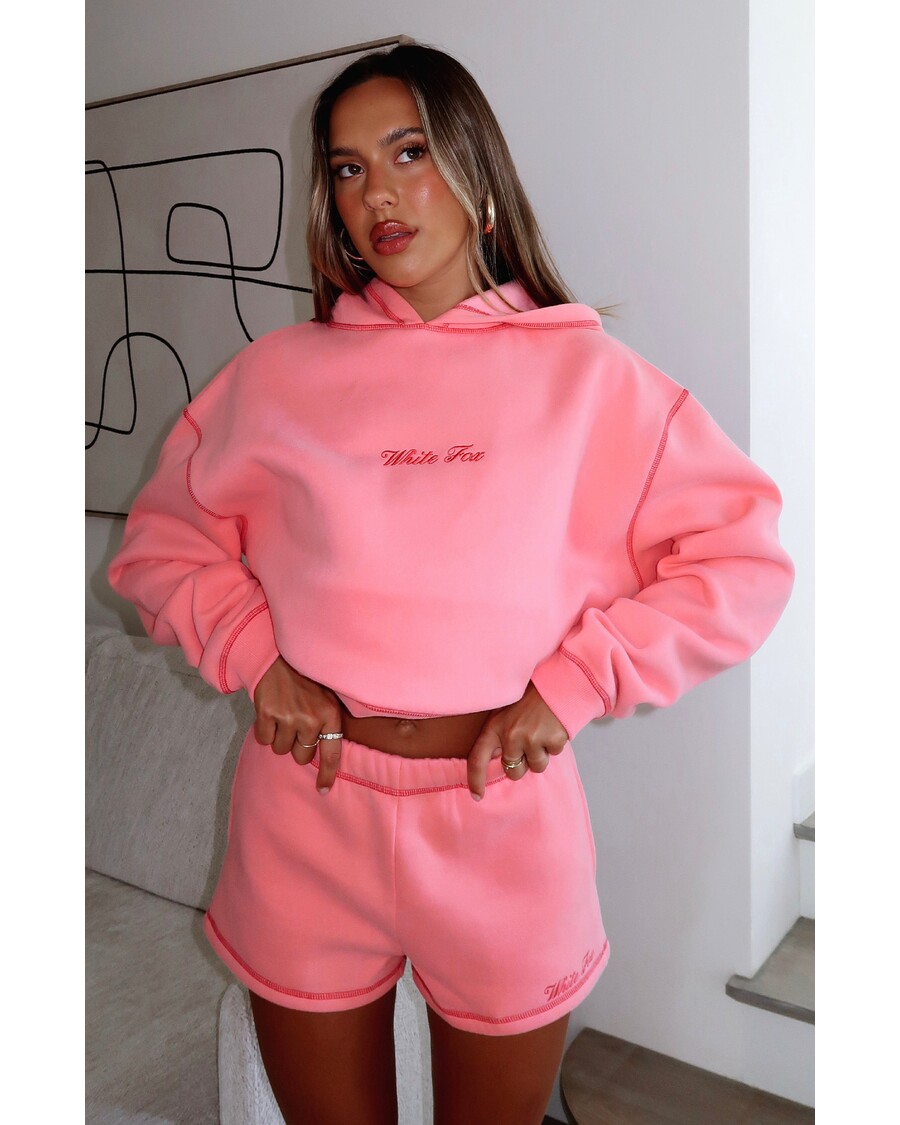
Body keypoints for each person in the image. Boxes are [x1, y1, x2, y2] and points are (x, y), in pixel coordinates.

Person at [108, 43, 794, 1125]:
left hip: (502, 822)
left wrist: (576, 684)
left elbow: (740, 559)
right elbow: (159, 544)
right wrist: (254, 659)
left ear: (478, 169)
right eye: (346, 169)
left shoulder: (592, 381)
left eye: (409, 152)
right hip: (304, 814)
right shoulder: (274, 380)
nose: (377, 193)